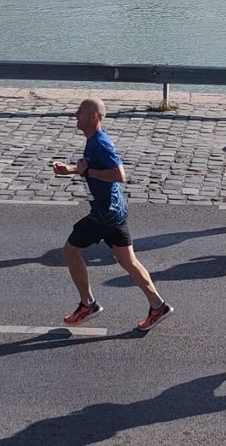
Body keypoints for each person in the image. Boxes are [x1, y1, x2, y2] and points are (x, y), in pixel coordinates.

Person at [51, 98, 174, 331]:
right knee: (128, 261)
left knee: (70, 252)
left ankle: (88, 305)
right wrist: (72, 170)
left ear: (94, 117)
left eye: (81, 112)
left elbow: (119, 175)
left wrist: (87, 171)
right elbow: (92, 169)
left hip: (104, 214)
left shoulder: (100, 143)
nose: (76, 114)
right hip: (116, 211)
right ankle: (158, 306)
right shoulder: (93, 141)